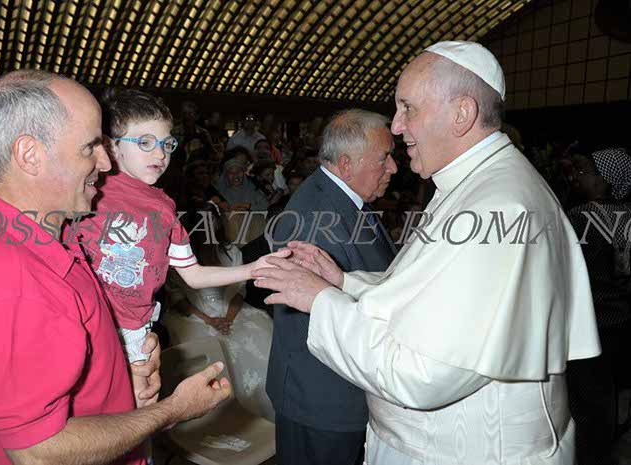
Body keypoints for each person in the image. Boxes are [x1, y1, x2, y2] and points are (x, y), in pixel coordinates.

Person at [253, 41, 601, 464]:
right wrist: (345, 282)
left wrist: (321, 299)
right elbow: (426, 293)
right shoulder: (476, 184)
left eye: (408, 108)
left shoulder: (498, 205)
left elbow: (422, 374)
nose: (398, 126)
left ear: (462, 114)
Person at [0, 70, 231, 465]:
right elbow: (39, 452)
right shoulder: (8, 279)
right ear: (30, 155)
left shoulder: (31, 235)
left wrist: (118, 377)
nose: (106, 163)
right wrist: (170, 411)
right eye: (90, 147)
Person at [77, 89, 287, 397]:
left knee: (136, 410)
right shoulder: (87, 189)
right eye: (145, 142)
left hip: (135, 334)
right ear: (111, 146)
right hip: (86, 327)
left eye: (166, 144)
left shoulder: (164, 207)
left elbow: (193, 274)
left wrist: (253, 269)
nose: (160, 154)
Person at [267, 109, 398, 465]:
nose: (393, 168)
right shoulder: (313, 220)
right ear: (346, 164)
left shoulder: (343, 198)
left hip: (341, 393)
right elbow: (318, 321)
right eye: (384, 158)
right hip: (323, 400)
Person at [163, 204, 275, 422]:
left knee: (258, 332)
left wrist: (228, 318)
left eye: (214, 222)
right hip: (197, 315)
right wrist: (209, 320)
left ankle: (261, 409)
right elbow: (177, 298)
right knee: (201, 342)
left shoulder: (230, 252)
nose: (211, 227)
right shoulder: (180, 257)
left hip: (231, 311)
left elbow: (239, 291)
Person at [565, 148, 631, 465]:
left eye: (586, 172)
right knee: (615, 392)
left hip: (591, 322)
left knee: (589, 401)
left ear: (605, 180)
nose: (577, 177)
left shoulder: (580, 217)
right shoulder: (626, 214)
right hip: (624, 317)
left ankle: (594, 455)